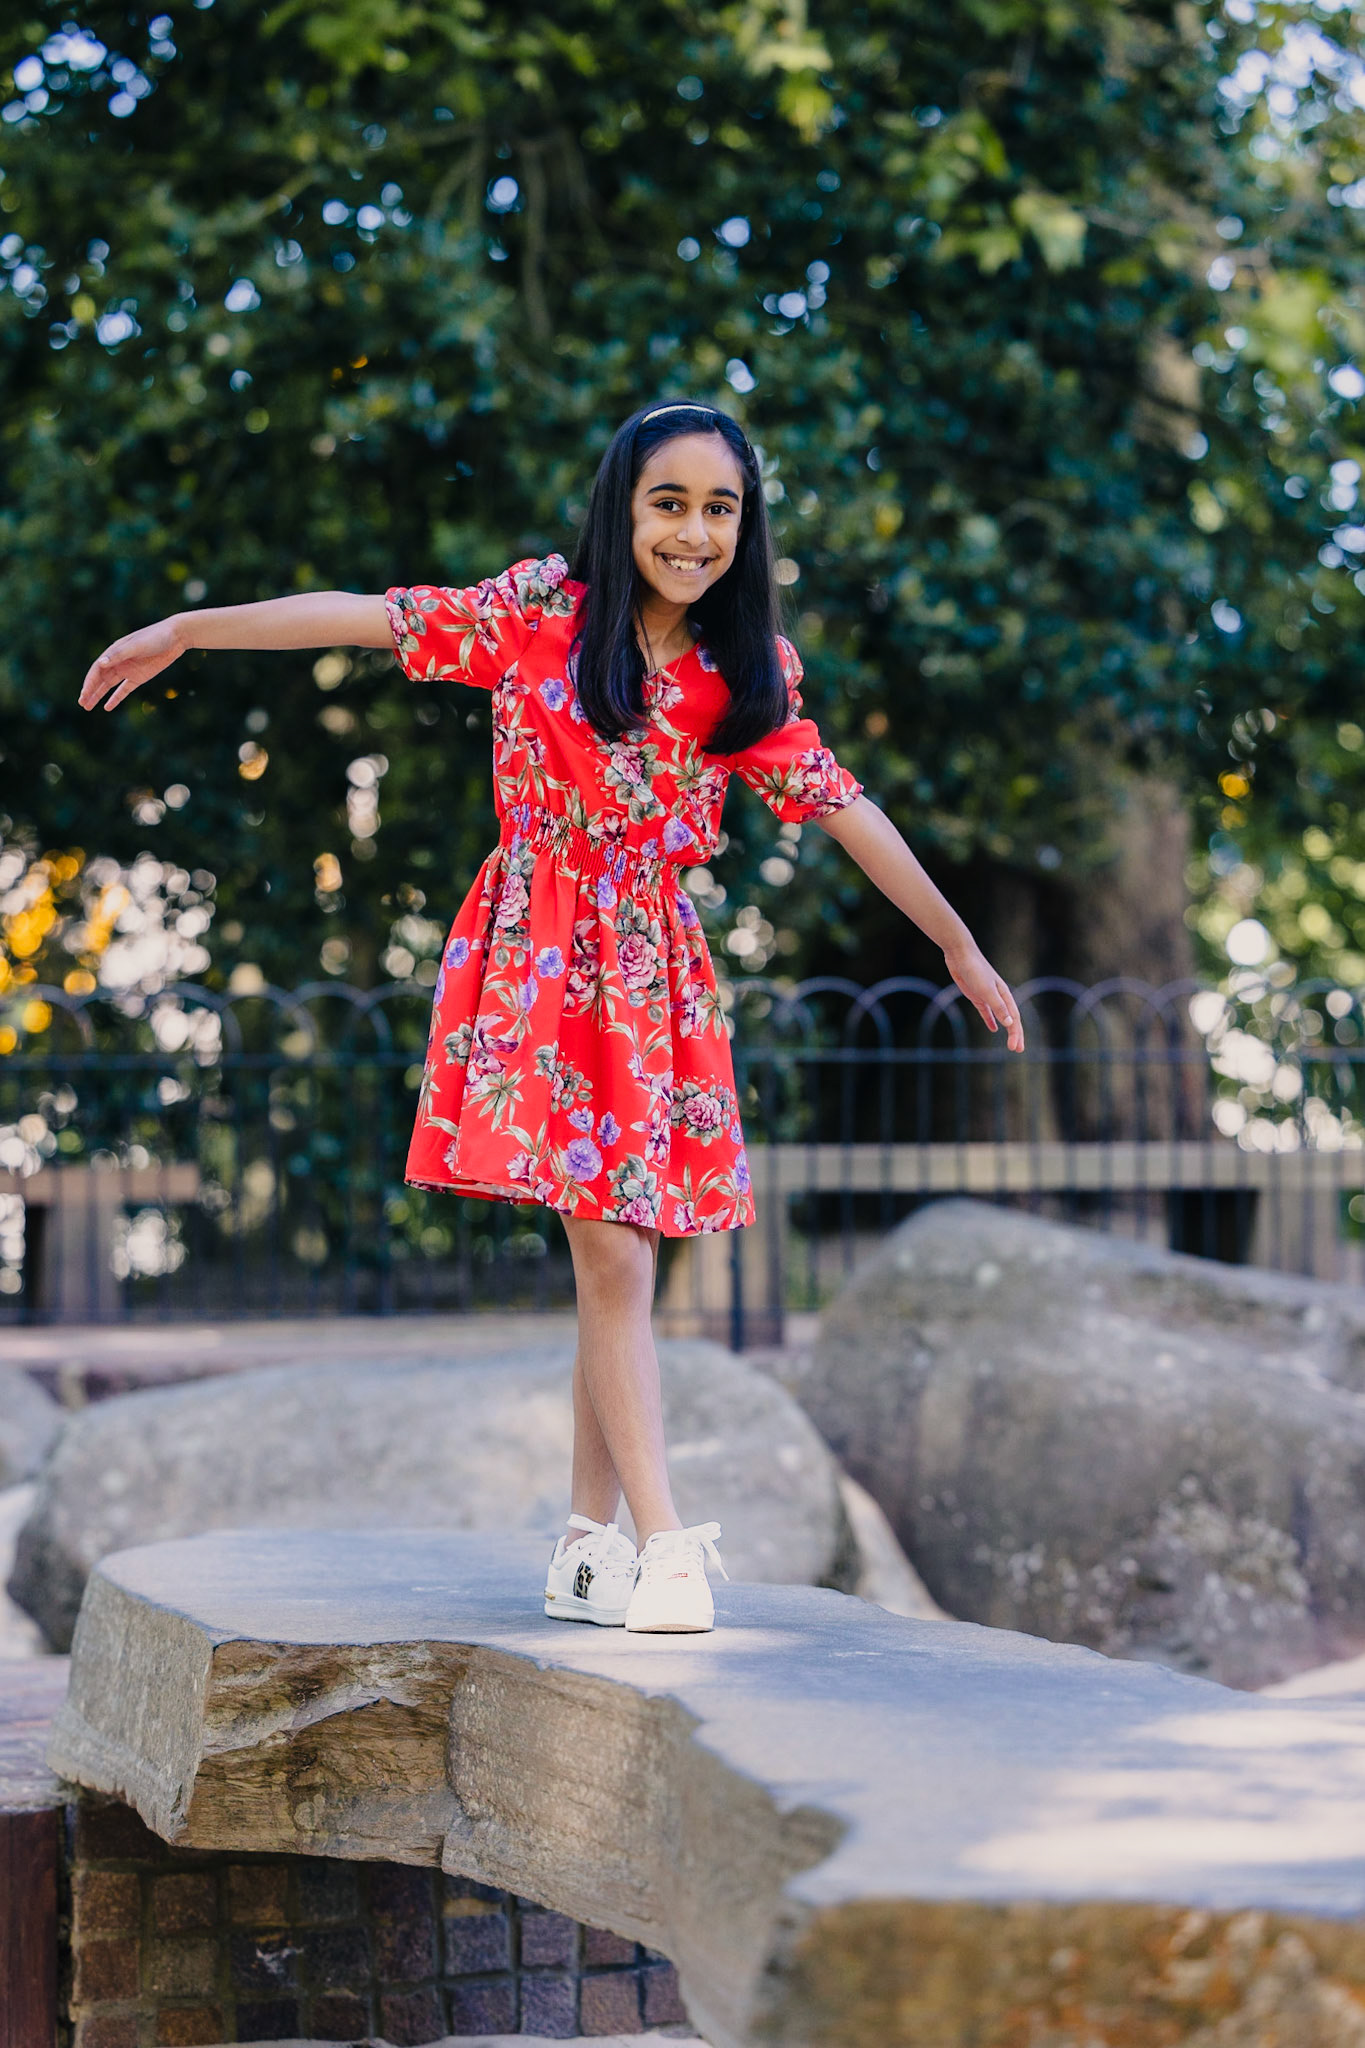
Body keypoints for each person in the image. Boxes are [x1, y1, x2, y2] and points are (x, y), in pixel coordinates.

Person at [79, 399, 1024, 1634]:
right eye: (668, 503)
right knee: (614, 1255)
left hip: (649, 973)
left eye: (720, 508)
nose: (693, 532)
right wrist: (190, 630)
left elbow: (845, 805)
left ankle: (587, 1545)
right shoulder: (541, 615)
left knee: (615, 1256)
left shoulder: (744, 675)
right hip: (538, 954)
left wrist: (955, 939)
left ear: (747, 526)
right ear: (622, 508)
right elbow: (366, 616)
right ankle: (664, 1543)